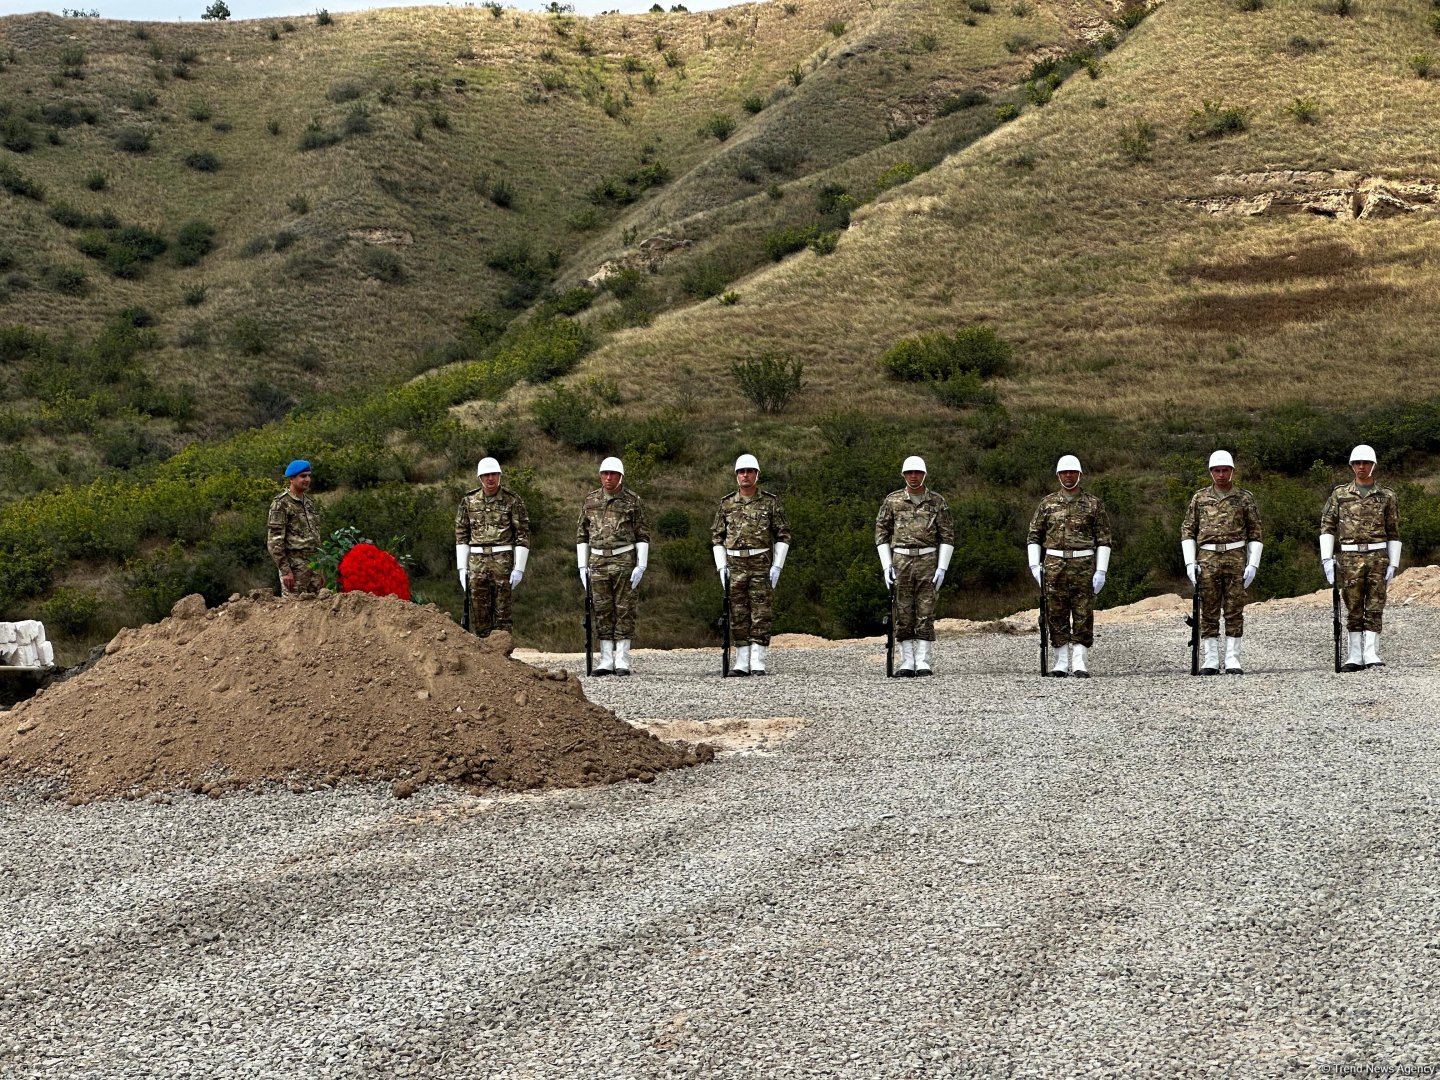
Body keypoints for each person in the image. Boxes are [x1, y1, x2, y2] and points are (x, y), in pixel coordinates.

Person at [1026, 455, 1112, 678]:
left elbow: (1104, 539)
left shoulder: (1093, 504)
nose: (1068, 476)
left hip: (1083, 563)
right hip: (1053, 564)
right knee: (1056, 611)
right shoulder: (1047, 504)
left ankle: (1080, 661)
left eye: (1072, 472)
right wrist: (1034, 565)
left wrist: (1101, 570)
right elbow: (1034, 536)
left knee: (1083, 611)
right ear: (1058, 475)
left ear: (1080, 474)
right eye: (1064, 473)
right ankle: (1061, 661)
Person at [1181, 451, 1263, 675]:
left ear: (1232, 471)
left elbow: (1255, 533)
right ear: (1210, 472)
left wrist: (1253, 564)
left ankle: (1233, 658)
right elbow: (1188, 530)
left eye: (1225, 470)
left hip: (1235, 556)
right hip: (1207, 558)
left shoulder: (1244, 498)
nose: (1221, 474)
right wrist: (1190, 563)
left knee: (1234, 609)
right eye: (1217, 470)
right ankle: (1211, 658)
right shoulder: (1199, 498)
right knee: (1208, 608)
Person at [1320, 444, 1401, 671]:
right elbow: (1327, 526)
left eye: (1365, 463)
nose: (1361, 467)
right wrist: (1327, 559)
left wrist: (1393, 563)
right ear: (1351, 466)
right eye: (1357, 463)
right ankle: (1354, 655)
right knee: (1353, 604)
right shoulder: (1340, 494)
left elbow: (1393, 530)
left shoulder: (1387, 496)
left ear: (1373, 465)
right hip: (1349, 557)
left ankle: (1371, 653)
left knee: (1375, 605)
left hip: (1378, 555)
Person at [710, 453, 792, 676]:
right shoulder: (726, 503)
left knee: (761, 611)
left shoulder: (769, 502)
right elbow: (717, 537)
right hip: (734, 563)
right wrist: (721, 567)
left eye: (749, 471)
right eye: (741, 472)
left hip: (760, 562)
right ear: (736, 476)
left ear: (757, 474)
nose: (745, 475)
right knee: (737, 612)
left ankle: (758, 660)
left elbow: (783, 535)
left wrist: (777, 566)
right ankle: (742, 660)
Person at [874, 455, 955, 677]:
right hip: (900, 560)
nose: (913, 477)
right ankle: (907, 660)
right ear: (903, 475)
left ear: (924, 474)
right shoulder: (893, 501)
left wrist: (942, 567)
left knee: (926, 610)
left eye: (917, 473)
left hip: (928, 559)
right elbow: (881, 533)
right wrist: (886, 565)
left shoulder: (937, 502)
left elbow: (947, 535)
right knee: (903, 609)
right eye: (909, 473)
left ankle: (923, 660)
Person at [576, 456, 651, 676]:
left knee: (624, 609)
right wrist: (582, 566)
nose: (608, 478)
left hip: (624, 560)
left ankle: (622, 659)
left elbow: (642, 534)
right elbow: (582, 535)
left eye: (613, 474)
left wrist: (641, 564)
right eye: (605, 474)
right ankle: (606, 659)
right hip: (597, 561)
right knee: (601, 610)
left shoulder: (632, 501)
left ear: (621, 476)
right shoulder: (590, 501)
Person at [454, 457, 530, 638]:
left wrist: (519, 568)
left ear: (499, 476)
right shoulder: (469, 501)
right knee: (479, 611)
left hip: (502, 559)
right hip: (476, 561)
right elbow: (461, 532)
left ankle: (502, 655)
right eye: (486, 475)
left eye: (494, 474)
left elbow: (522, 533)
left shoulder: (512, 500)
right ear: (480, 477)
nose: (490, 479)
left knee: (503, 611)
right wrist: (462, 567)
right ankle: (485, 656)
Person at [267, 459, 323, 596]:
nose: (307, 479)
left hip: (314, 565)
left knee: (318, 609)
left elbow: (316, 536)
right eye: (303, 476)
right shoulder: (281, 504)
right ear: (292, 478)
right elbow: (274, 541)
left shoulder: (309, 503)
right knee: (295, 610)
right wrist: (286, 571)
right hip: (295, 568)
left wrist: (320, 568)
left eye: (309, 475)